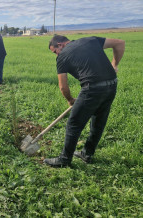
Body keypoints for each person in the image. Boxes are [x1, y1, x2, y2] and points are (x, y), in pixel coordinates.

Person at [44, 35, 125, 167]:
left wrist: (70, 100)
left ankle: (64, 160)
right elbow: (120, 43)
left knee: (74, 124)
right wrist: (114, 65)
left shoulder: (62, 56)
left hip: (92, 89)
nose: (56, 55)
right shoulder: (91, 40)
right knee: (98, 121)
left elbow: (63, 86)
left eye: (55, 51)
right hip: (112, 85)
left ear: (60, 45)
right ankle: (87, 154)